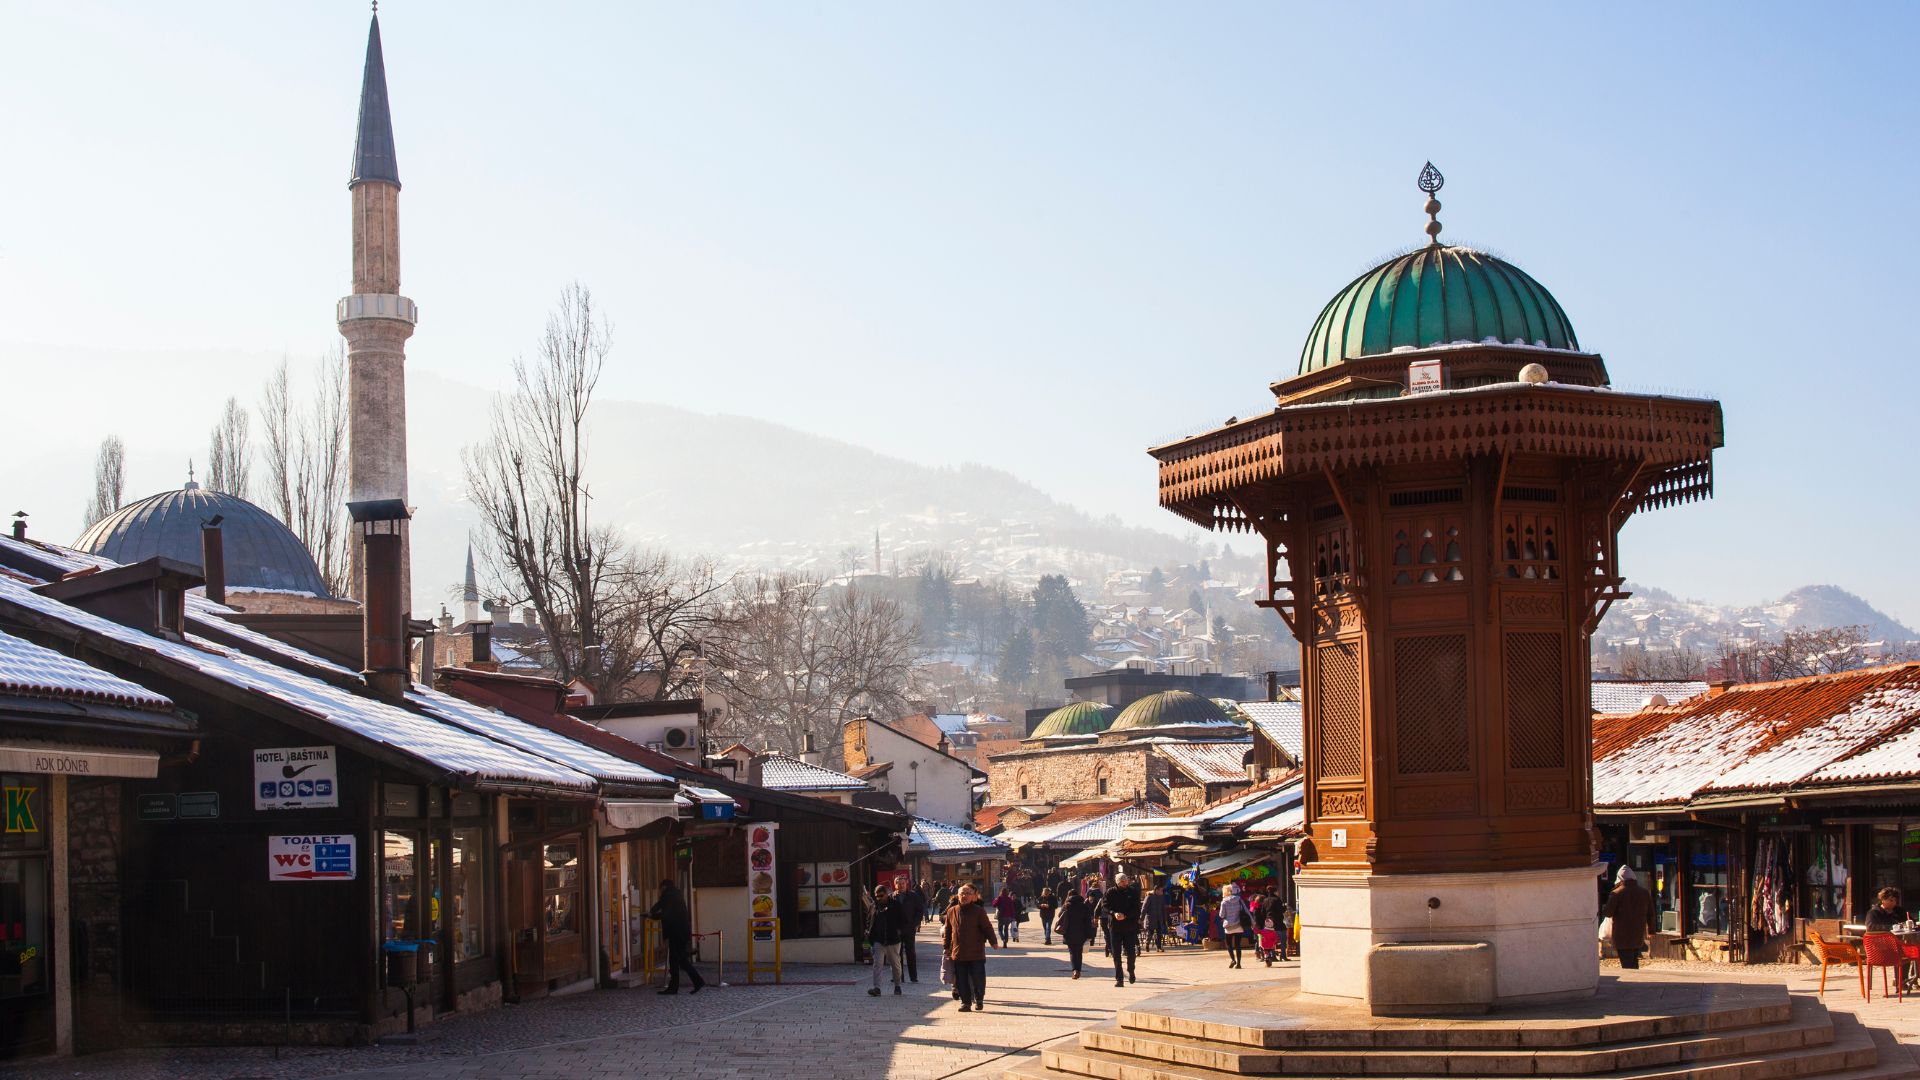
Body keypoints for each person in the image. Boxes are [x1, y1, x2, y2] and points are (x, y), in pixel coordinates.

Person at [943, 883, 1001, 1012]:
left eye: (967, 893)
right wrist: (946, 947)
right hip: (958, 952)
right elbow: (948, 931)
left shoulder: (978, 911)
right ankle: (966, 1003)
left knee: (978, 978)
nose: (964, 896)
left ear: (973, 896)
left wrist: (993, 942)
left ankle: (979, 999)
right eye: (962, 893)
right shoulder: (952, 911)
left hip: (976, 952)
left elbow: (987, 928)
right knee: (961, 980)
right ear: (957, 896)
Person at [648, 880, 705, 994]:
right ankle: (690, 983)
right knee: (678, 960)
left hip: (676, 933)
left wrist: (652, 915)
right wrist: (653, 914)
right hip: (681, 932)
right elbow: (664, 909)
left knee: (677, 960)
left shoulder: (668, 896)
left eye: (660, 889)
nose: (659, 891)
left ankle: (683, 985)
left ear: (664, 887)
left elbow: (665, 913)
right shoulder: (675, 894)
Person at [1603, 865, 1659, 969]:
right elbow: (1650, 914)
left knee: (1626, 962)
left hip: (1622, 934)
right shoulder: (1644, 892)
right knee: (1633, 960)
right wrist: (1651, 930)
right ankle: (1636, 980)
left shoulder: (1616, 893)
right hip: (1638, 933)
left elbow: (1608, 913)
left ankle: (1631, 982)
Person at [866, 883, 908, 996]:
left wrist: (899, 931)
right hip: (878, 940)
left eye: (881, 895)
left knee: (895, 964)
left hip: (893, 940)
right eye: (876, 896)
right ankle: (877, 988)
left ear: (886, 894)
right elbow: (869, 920)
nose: (878, 898)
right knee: (877, 964)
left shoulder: (895, 905)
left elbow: (903, 920)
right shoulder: (873, 906)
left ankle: (897, 985)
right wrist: (869, 932)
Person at [1103, 872, 1142, 986]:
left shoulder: (1133, 892)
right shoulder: (1110, 892)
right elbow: (1104, 906)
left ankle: (1131, 970)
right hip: (1115, 927)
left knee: (1130, 952)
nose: (1125, 883)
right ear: (1117, 882)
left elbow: (1137, 909)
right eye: (1122, 882)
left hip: (1129, 926)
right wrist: (1113, 913)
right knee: (1116, 953)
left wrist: (1126, 915)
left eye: (1126, 881)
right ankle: (1119, 978)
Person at [1056, 889, 1096, 979]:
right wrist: (1090, 935)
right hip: (1081, 933)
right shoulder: (1084, 906)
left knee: (1072, 952)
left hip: (1069, 932)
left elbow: (1059, 916)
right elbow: (1088, 922)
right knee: (1079, 952)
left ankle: (1075, 970)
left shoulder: (1067, 905)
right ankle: (1078, 969)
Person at [898, 879, 928, 982]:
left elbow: (920, 910)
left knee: (910, 953)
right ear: (895, 885)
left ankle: (913, 977)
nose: (901, 885)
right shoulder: (893, 897)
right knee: (897, 954)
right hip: (897, 929)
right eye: (899, 883)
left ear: (906, 884)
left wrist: (916, 923)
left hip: (909, 928)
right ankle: (898, 976)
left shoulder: (913, 896)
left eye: (902, 883)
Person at [1218, 882, 1252, 969]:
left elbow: (1221, 915)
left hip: (1229, 926)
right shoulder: (1239, 899)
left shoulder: (1224, 902)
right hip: (1239, 925)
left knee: (1229, 944)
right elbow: (1246, 910)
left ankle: (1233, 960)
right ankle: (1239, 964)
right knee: (1238, 945)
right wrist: (1252, 920)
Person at [1144, 886, 1168, 952]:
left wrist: (1164, 919)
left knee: (1159, 934)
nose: (1162, 892)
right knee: (1150, 933)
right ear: (1156, 890)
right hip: (1151, 918)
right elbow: (1144, 908)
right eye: (1161, 890)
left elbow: (1163, 909)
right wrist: (1141, 918)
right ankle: (1147, 944)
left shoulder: (1161, 898)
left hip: (1159, 918)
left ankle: (1159, 947)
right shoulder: (1149, 897)